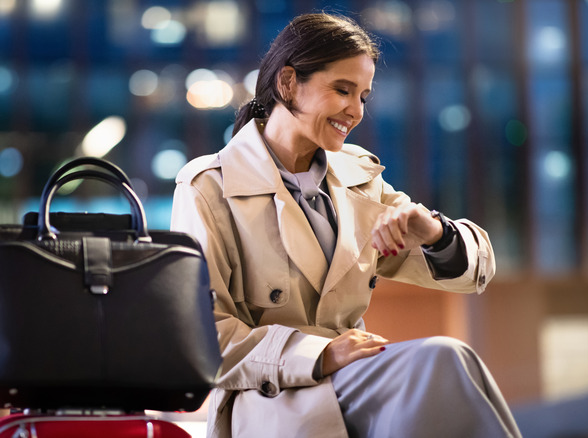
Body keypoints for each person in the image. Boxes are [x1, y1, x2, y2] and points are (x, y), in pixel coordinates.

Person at [171, 12, 521, 438]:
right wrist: (320, 355)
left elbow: (474, 274)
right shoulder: (209, 187)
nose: (356, 112)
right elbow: (204, 338)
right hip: (273, 400)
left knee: (449, 364)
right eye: (342, 90)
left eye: (364, 97)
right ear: (287, 83)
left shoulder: (359, 178)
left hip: (357, 381)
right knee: (441, 359)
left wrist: (434, 234)